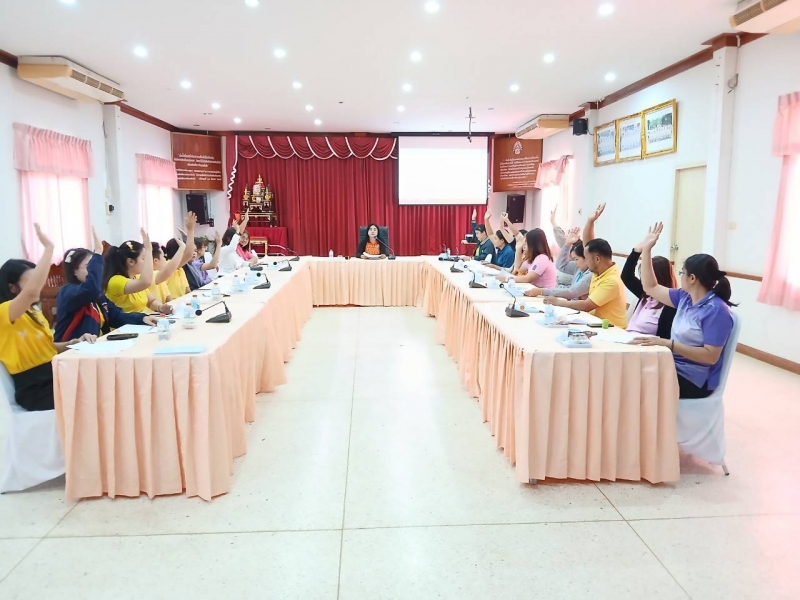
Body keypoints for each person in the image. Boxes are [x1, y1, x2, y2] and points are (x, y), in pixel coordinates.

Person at [632, 222, 735, 399]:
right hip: (672, 364)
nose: (680, 276)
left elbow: (710, 356)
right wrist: (647, 250)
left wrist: (668, 344)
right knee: (630, 369)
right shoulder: (684, 297)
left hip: (694, 378)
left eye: (682, 273)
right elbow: (650, 287)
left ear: (692, 278)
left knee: (637, 383)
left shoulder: (716, 310)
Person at [0, 224, 96, 411]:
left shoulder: (33, 312)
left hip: (53, 374)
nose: (39, 285)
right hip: (34, 389)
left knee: (101, 383)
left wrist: (73, 343)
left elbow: (47, 348)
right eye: (32, 280)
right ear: (12, 288)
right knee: (90, 397)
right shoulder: (4, 312)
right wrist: (49, 249)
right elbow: (31, 292)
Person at [55, 227, 158, 342]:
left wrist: (142, 318)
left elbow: (116, 316)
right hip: (73, 349)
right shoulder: (68, 293)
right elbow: (91, 289)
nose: (94, 271)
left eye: (93, 266)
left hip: (97, 345)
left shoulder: (97, 295)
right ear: (74, 271)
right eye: (89, 266)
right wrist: (98, 253)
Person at [543, 237, 628, 328]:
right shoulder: (598, 271)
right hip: (594, 321)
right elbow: (562, 265)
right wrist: (568, 242)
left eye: (586, 259)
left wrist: (558, 302)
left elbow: (586, 305)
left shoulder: (612, 280)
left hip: (611, 328)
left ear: (597, 259)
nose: (586, 263)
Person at [104, 229, 172, 314]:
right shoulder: (115, 281)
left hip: (141, 320)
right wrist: (148, 250)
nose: (147, 262)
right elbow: (146, 282)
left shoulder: (135, 278)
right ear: (131, 262)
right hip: (126, 322)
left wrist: (160, 307)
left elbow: (151, 301)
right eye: (143, 258)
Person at [623, 235, 677, 338]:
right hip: (628, 339)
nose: (643, 281)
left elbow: (665, 338)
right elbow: (627, 276)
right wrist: (636, 251)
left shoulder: (670, 304)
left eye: (645, 277)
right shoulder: (645, 293)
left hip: (647, 345)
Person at [524, 227, 592, 300]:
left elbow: (572, 292)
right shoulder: (578, 267)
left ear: (586, 257)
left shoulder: (590, 274)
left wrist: (541, 291)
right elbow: (561, 265)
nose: (575, 262)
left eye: (576, 259)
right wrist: (567, 244)